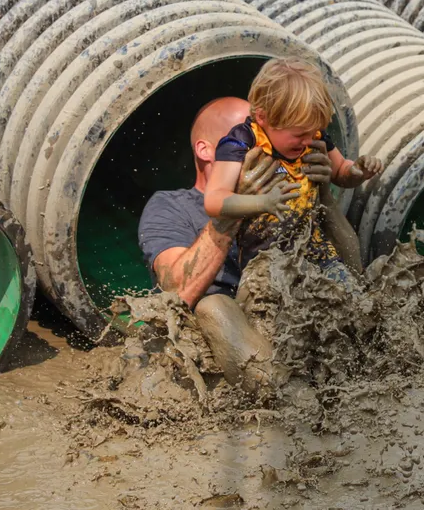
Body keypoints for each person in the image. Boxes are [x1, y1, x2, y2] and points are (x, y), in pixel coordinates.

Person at [136, 96, 345, 391]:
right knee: (214, 306)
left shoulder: (289, 194)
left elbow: (353, 268)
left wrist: (324, 196)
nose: (267, 148)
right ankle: (289, 395)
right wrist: (231, 211)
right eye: (248, 138)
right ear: (207, 150)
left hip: (289, 325)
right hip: (226, 342)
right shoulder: (170, 206)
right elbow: (175, 292)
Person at [204, 58, 383, 285]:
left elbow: (339, 172)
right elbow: (214, 200)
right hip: (266, 261)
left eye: (314, 132)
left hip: (317, 251)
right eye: (299, 135)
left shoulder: (312, 136)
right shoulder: (242, 142)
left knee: (349, 292)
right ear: (263, 117)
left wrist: (357, 171)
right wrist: (263, 203)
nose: (308, 141)